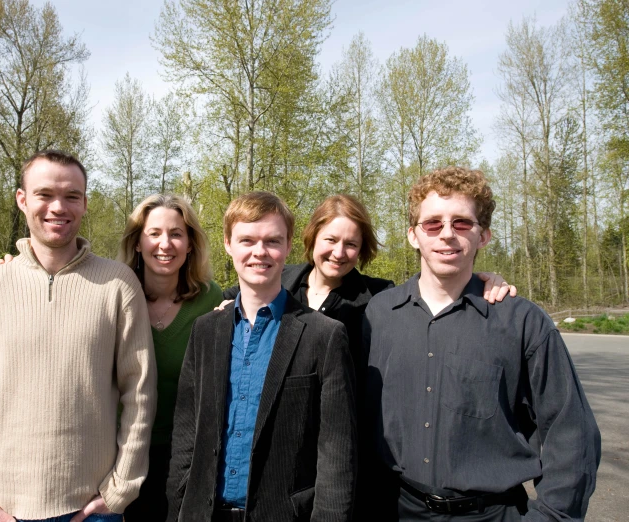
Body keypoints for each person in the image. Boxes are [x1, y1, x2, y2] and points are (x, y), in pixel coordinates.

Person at [363, 166, 601, 520]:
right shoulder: (378, 313)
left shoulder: (522, 322)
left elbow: (571, 434)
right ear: (413, 235)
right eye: (433, 224)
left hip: (492, 513)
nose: (446, 234)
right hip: (394, 509)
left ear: (484, 235)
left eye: (461, 223)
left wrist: (551, 516)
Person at [0, 150, 157, 522]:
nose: (59, 207)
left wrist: (121, 488)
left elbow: (140, 393)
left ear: (85, 203)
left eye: (72, 196)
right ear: (22, 200)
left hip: (92, 506)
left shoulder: (118, 286)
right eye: (44, 194)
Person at [166, 192, 357, 522]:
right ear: (228, 243)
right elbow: (186, 436)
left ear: (288, 245)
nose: (259, 252)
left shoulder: (324, 336)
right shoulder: (205, 331)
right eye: (247, 240)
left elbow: (337, 454)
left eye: (272, 240)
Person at [224, 193, 516, 368]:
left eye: (351, 244)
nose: (339, 253)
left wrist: (485, 281)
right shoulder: (279, 280)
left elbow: (434, 291)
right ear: (312, 238)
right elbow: (230, 297)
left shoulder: (379, 298)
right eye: (330, 239)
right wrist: (222, 306)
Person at [118, 195, 223, 521]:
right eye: (154, 233)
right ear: (137, 243)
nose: (166, 244)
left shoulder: (211, 299)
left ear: (190, 244)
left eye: (177, 234)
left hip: (185, 456)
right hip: (119, 453)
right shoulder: (112, 295)